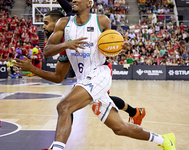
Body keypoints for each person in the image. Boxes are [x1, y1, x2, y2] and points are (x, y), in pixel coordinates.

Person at [16, 1, 176, 150]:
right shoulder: (64, 24)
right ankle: (164, 140)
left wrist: (121, 47)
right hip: (84, 80)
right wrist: (66, 44)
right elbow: (47, 52)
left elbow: (112, 45)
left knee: (64, 106)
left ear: (89, 3)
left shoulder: (102, 21)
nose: (74, 1)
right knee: (119, 128)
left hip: (100, 73)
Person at [15, 9, 145, 125]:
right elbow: (58, 77)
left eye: (46, 23)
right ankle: (135, 112)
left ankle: (58, 144)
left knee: (68, 105)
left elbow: (105, 45)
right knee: (94, 102)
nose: (43, 26)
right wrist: (33, 69)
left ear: (58, 23)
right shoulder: (63, 45)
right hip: (85, 74)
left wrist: (117, 48)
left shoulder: (74, 25)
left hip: (100, 70)